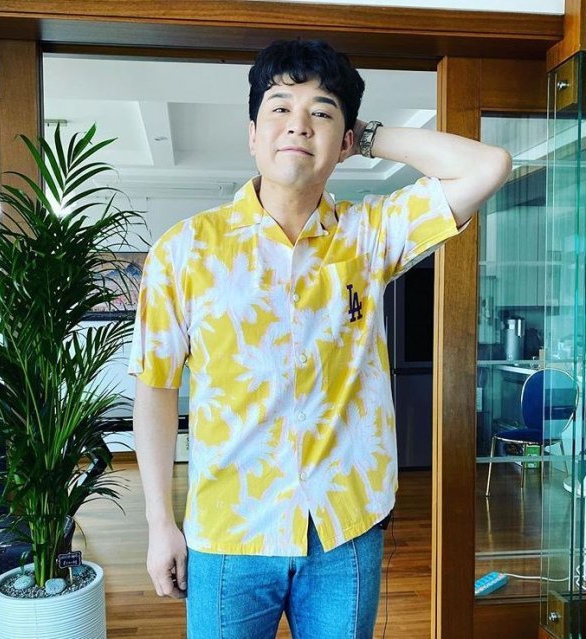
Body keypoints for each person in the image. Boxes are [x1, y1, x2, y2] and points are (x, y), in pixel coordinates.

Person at [129, 39, 511, 639]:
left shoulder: (369, 233)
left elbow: (488, 166)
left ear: (345, 141)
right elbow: (154, 388)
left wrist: (371, 134)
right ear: (252, 134)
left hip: (344, 528)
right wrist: (160, 523)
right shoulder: (184, 250)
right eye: (280, 107)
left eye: (322, 112)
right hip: (230, 530)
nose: (298, 125)